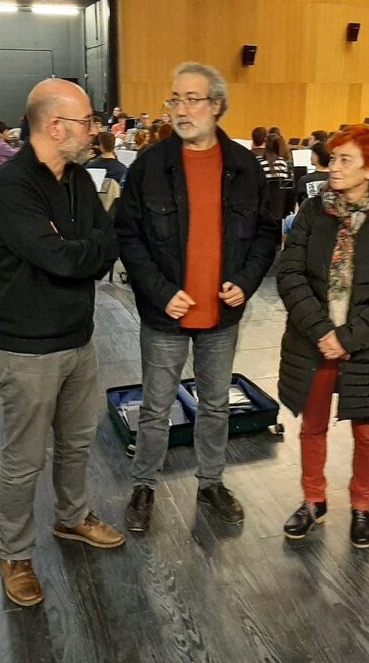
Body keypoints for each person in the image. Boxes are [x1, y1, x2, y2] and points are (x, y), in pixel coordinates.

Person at [115, 61, 277, 532]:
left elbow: (267, 234)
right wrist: (162, 292)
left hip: (222, 314)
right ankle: (143, 485)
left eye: (192, 99)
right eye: (175, 99)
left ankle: (211, 483)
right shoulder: (149, 165)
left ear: (218, 105)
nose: (180, 110)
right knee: (155, 405)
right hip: (166, 313)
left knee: (215, 403)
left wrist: (245, 281)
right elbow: (129, 235)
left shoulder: (246, 167)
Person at [0, 78, 124, 608]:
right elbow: (64, 258)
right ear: (55, 126)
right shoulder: (13, 185)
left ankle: (71, 519)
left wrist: (80, 247)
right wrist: (80, 248)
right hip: (26, 348)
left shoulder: (79, 181)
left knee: (77, 442)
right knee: (24, 459)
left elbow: (100, 246)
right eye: (87, 121)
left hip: (78, 339)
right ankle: (15, 554)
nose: (96, 129)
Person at [276, 125, 369, 546]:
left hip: (368, 346)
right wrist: (322, 331)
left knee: (367, 432)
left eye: (344, 160)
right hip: (313, 341)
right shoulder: (312, 212)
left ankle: (362, 506)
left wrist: (349, 337)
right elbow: (290, 273)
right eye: (333, 158)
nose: (332, 167)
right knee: (312, 426)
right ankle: (313, 501)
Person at [293, 142, 330, 207]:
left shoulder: (304, 180)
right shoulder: (335, 179)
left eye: (312, 153)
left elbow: (298, 204)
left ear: (316, 157)